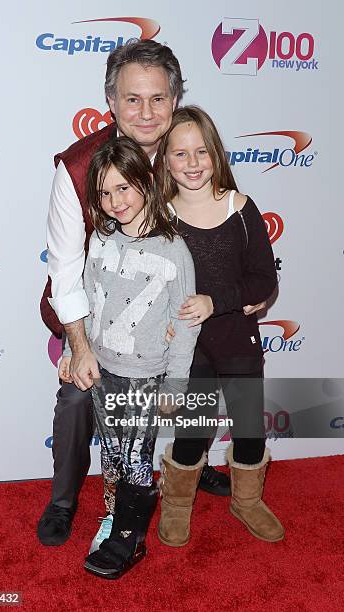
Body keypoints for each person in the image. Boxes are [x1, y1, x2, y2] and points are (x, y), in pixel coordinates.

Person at [38, 41, 233, 548]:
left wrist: (230, 296)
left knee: (212, 356)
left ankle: (190, 463)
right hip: (94, 316)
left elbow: (216, 233)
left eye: (158, 99)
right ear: (111, 102)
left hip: (168, 305)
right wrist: (79, 347)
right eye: (132, 99)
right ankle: (63, 500)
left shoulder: (187, 154)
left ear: (175, 99)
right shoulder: (79, 167)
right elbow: (65, 269)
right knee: (80, 395)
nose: (146, 113)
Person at [67, 136, 200, 578]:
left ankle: (129, 539)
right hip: (102, 369)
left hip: (145, 375)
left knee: (138, 457)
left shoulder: (173, 250)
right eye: (104, 193)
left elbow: (185, 323)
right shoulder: (102, 239)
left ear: (146, 182)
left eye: (123, 188)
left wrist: (177, 385)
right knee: (113, 454)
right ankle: (118, 520)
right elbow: (85, 297)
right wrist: (75, 347)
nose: (114, 201)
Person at [155, 105, 284, 546]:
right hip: (189, 351)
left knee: (250, 428)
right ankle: (175, 504)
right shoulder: (161, 218)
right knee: (192, 432)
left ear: (216, 154)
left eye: (201, 152)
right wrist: (165, 326)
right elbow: (154, 288)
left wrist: (219, 301)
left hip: (238, 340)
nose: (192, 164)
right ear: (166, 161)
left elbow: (264, 280)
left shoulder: (241, 208)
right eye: (180, 154)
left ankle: (247, 501)